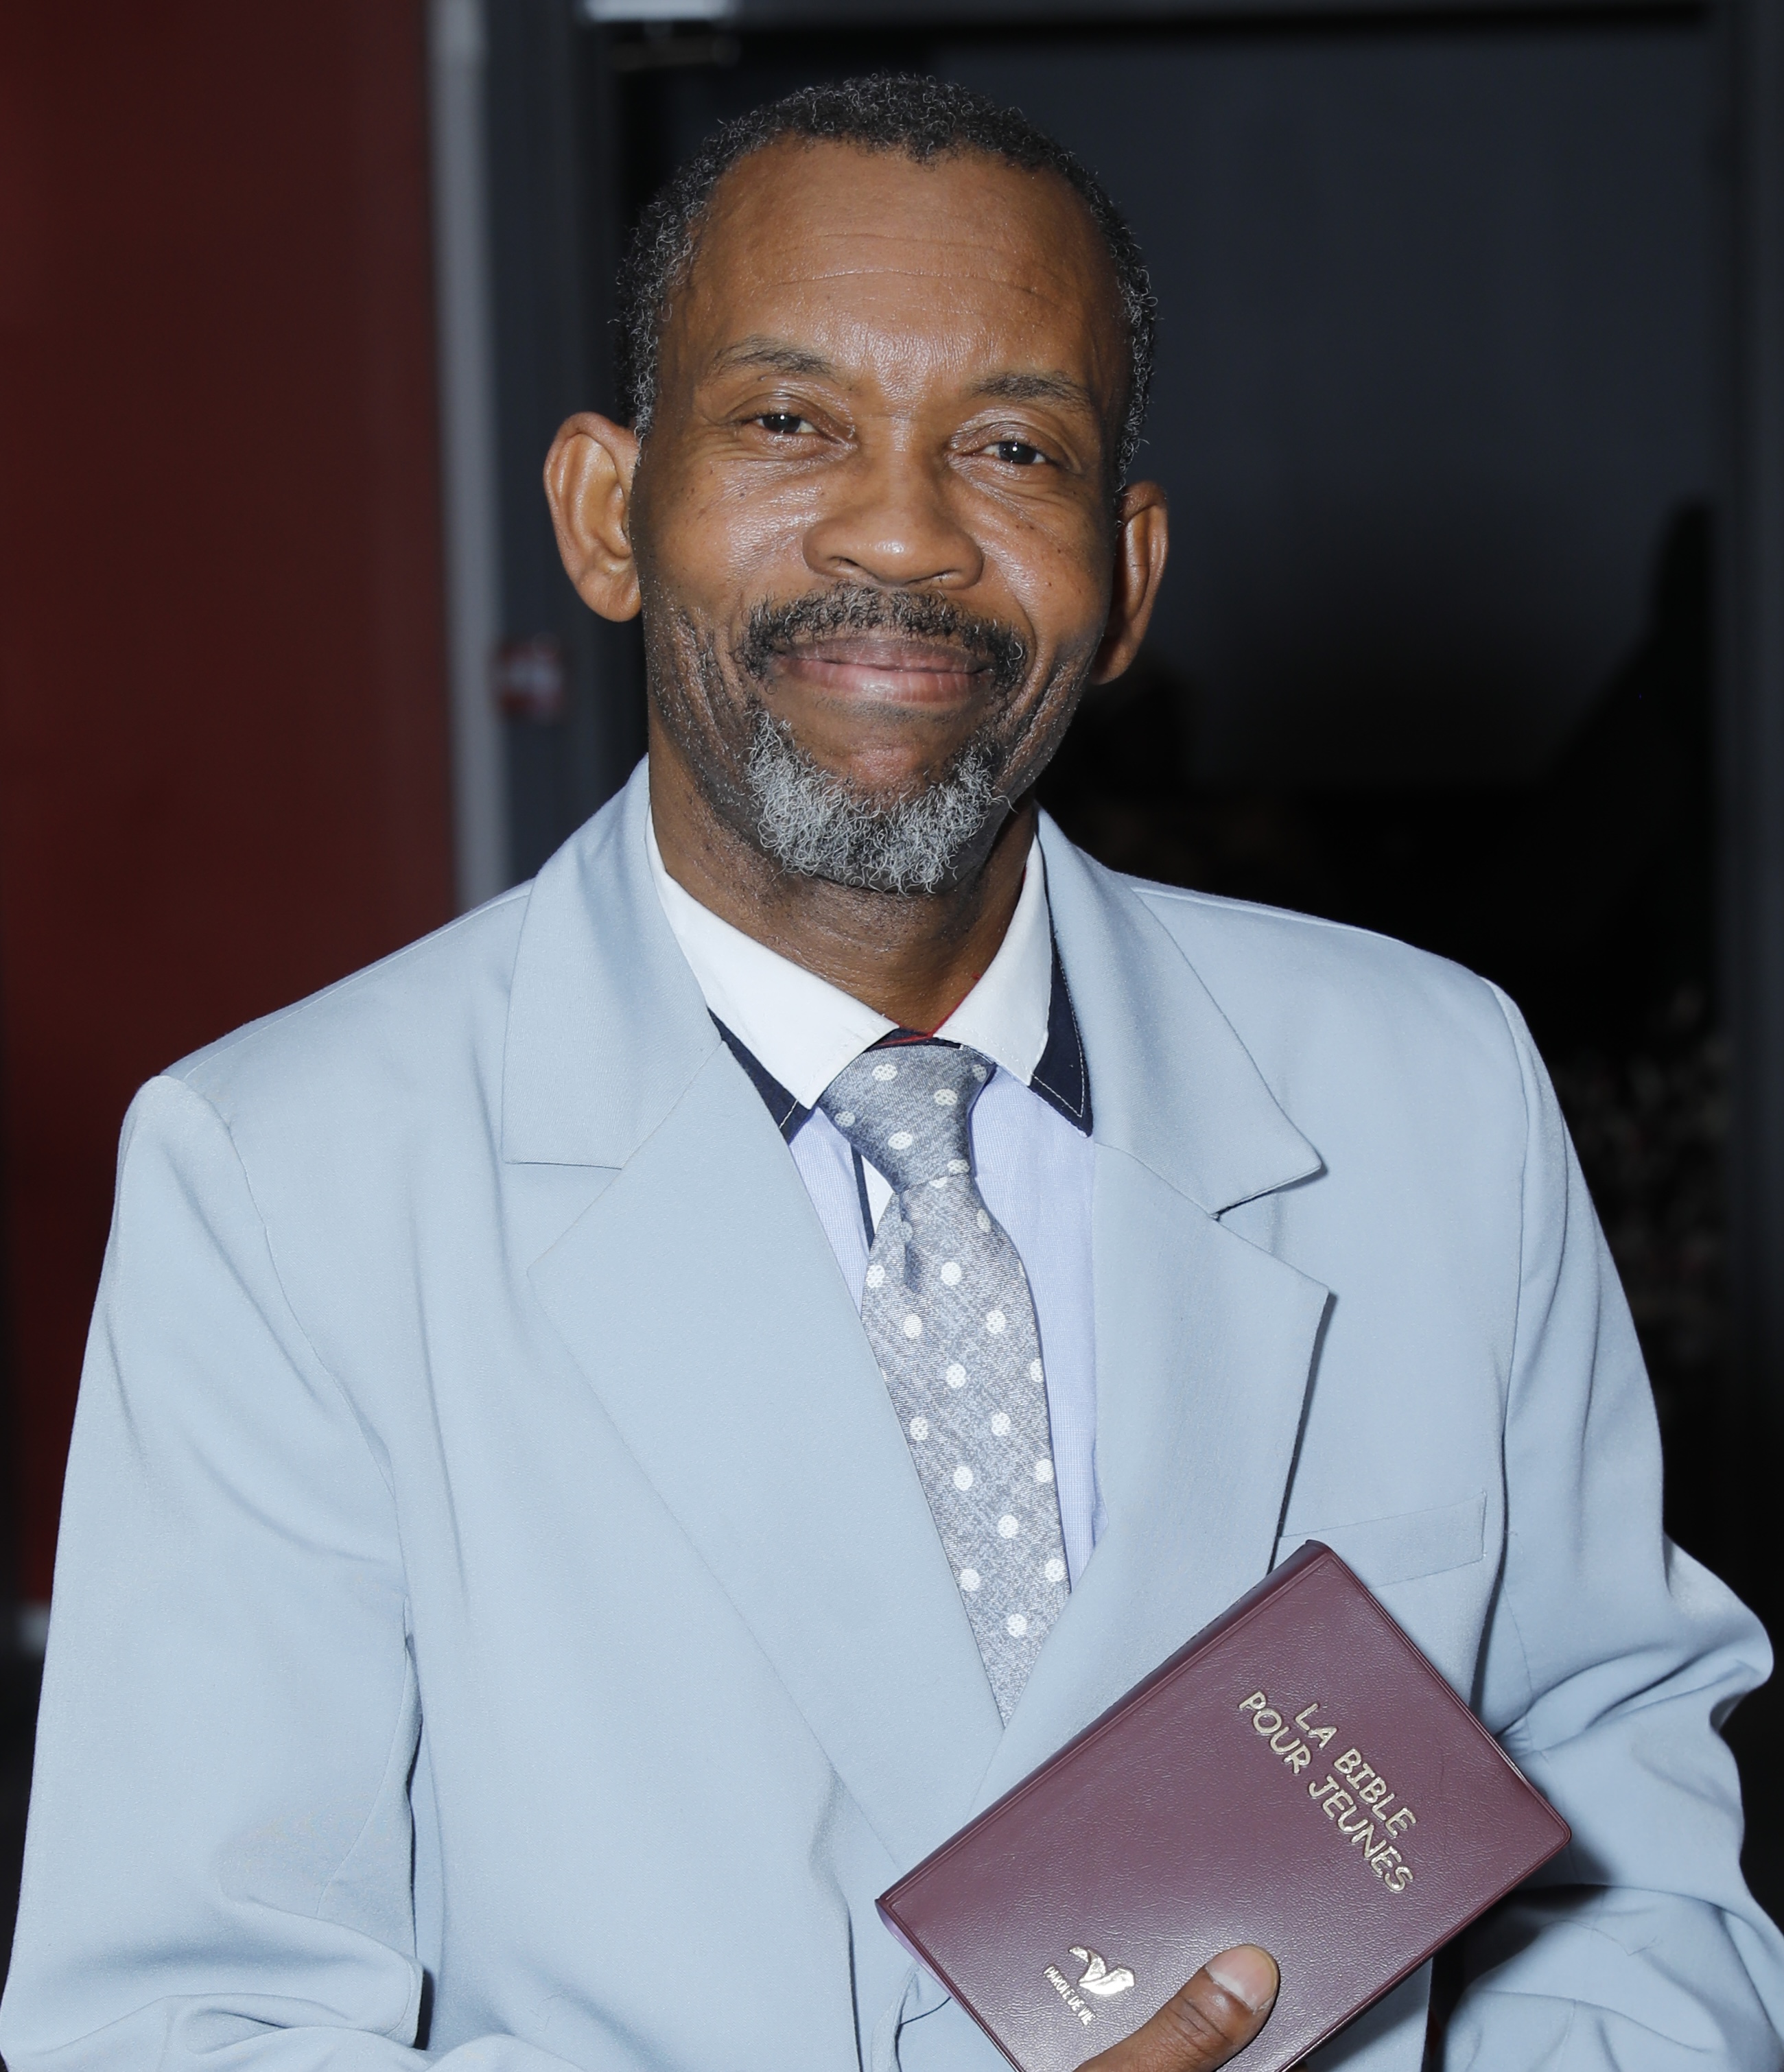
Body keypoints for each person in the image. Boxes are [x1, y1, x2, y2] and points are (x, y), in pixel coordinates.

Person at [2, 73, 1780, 2072]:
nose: (906, 535)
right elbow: (185, 2024)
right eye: (791, 421)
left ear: (1130, 573)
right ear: (605, 514)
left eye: (1012, 447)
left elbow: (1624, 1847)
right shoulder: (285, 1178)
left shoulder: (1433, 1094)